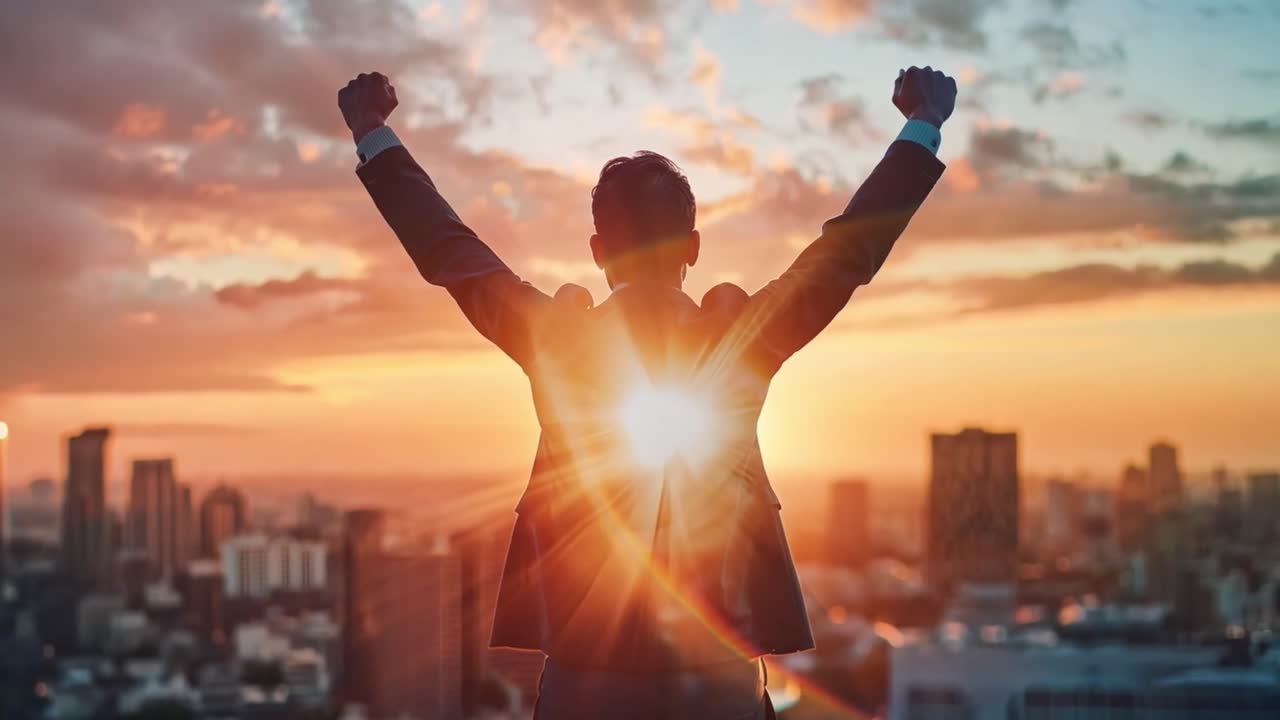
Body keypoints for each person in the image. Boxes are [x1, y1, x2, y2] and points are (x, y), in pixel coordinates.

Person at [339, 65, 954, 719]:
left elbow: (449, 250)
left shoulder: (557, 339)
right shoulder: (739, 339)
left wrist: (373, 131)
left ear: (598, 250)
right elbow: (844, 255)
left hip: (585, 684)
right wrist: (923, 126)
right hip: (718, 682)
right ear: (692, 247)